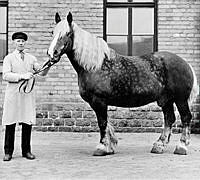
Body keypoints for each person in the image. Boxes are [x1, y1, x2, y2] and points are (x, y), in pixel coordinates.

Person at [2, 32, 51, 161]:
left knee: (27, 122)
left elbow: (41, 72)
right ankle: (8, 152)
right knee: (10, 123)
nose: (21, 43)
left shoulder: (31, 58)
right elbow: (5, 75)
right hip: (13, 94)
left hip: (26, 94)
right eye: (18, 41)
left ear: (25, 43)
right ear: (14, 43)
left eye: (23, 41)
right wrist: (22, 76)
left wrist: (48, 65)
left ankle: (26, 151)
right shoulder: (9, 58)